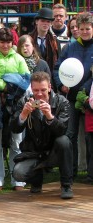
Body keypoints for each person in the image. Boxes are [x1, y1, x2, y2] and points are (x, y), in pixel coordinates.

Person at [10, 71, 73, 199]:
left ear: (50, 87)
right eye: (36, 90)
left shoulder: (62, 102)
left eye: (43, 90)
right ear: (31, 88)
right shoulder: (25, 101)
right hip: (35, 152)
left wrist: (50, 116)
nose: (39, 94)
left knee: (64, 141)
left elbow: (62, 131)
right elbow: (14, 129)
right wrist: (23, 115)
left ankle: (66, 185)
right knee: (18, 173)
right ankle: (36, 180)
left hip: (54, 151)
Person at [0, 28, 29, 192]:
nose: (5, 45)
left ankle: (18, 180)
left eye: (8, 42)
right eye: (2, 42)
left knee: (17, 142)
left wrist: (13, 84)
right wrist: (6, 84)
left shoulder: (18, 57)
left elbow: (26, 78)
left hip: (16, 105)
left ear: (13, 43)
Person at [53, 12, 93, 178]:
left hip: (89, 99)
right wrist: (61, 84)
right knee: (70, 135)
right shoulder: (69, 47)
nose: (84, 32)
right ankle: (70, 172)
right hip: (71, 99)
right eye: (81, 28)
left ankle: (91, 173)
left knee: (91, 138)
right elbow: (57, 68)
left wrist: (85, 89)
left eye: (87, 29)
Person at [29, 8, 61, 81]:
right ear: (37, 21)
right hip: (33, 80)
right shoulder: (28, 40)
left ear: (51, 23)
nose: (45, 24)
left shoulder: (55, 42)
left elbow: (58, 64)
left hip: (51, 81)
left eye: (48, 21)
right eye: (42, 21)